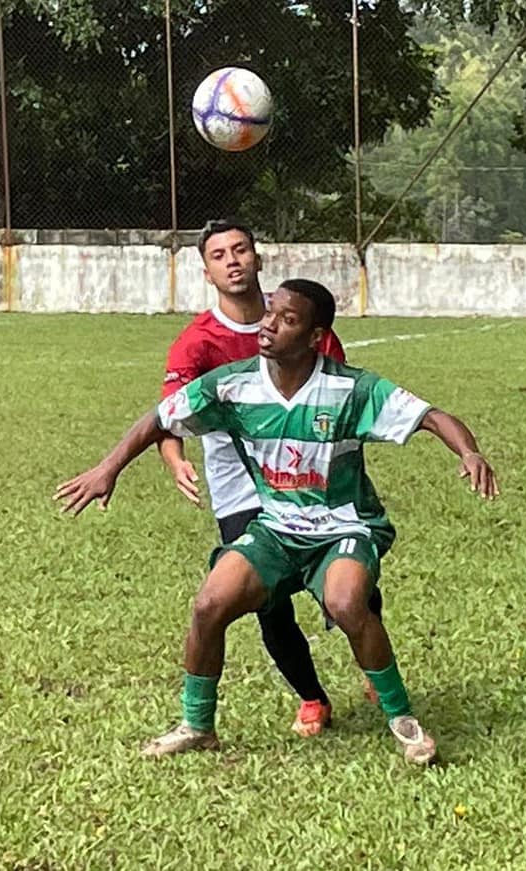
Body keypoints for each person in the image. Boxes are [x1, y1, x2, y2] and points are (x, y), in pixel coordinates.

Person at [56, 279, 499, 764]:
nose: (268, 324)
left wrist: (469, 451)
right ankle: (196, 725)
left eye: (287, 319)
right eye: (270, 312)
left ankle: (403, 721)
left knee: (348, 603)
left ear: (315, 336)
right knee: (209, 604)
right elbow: (161, 417)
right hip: (276, 528)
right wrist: (108, 468)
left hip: (344, 528)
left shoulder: (350, 390)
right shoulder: (233, 385)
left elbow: (432, 417)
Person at [158, 219, 378, 740]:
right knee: (267, 604)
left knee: (351, 590)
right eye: (218, 254)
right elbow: (166, 416)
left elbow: (341, 399)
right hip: (240, 490)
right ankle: (312, 698)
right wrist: (175, 459)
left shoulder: (302, 323)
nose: (232, 260)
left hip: (314, 482)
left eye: (240, 250)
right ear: (207, 270)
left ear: (258, 258)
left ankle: (372, 664)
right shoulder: (196, 343)